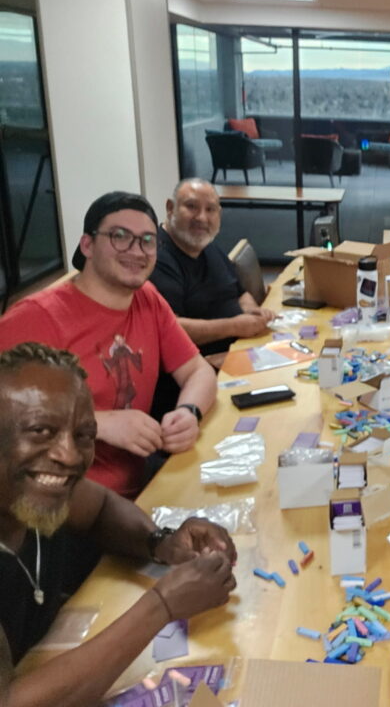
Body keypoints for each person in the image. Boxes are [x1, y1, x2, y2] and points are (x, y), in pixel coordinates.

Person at [0, 343, 236, 707]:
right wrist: (161, 605)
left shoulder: (34, 489)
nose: (69, 455)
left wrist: (162, 542)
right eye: (40, 431)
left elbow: (101, 508)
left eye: (83, 435)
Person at [0, 192, 216, 499]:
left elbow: (198, 370)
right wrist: (95, 423)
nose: (136, 251)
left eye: (147, 241)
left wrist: (189, 412)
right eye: (120, 237)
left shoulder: (147, 298)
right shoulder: (36, 318)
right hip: (66, 501)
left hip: (142, 480)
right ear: (87, 245)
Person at [150, 178, 275, 363]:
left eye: (210, 209)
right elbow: (169, 328)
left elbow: (239, 293)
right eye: (191, 207)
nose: (202, 218)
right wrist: (235, 326)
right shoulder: (156, 258)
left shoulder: (206, 245)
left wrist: (252, 311)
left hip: (241, 347)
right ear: (170, 208)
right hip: (201, 363)